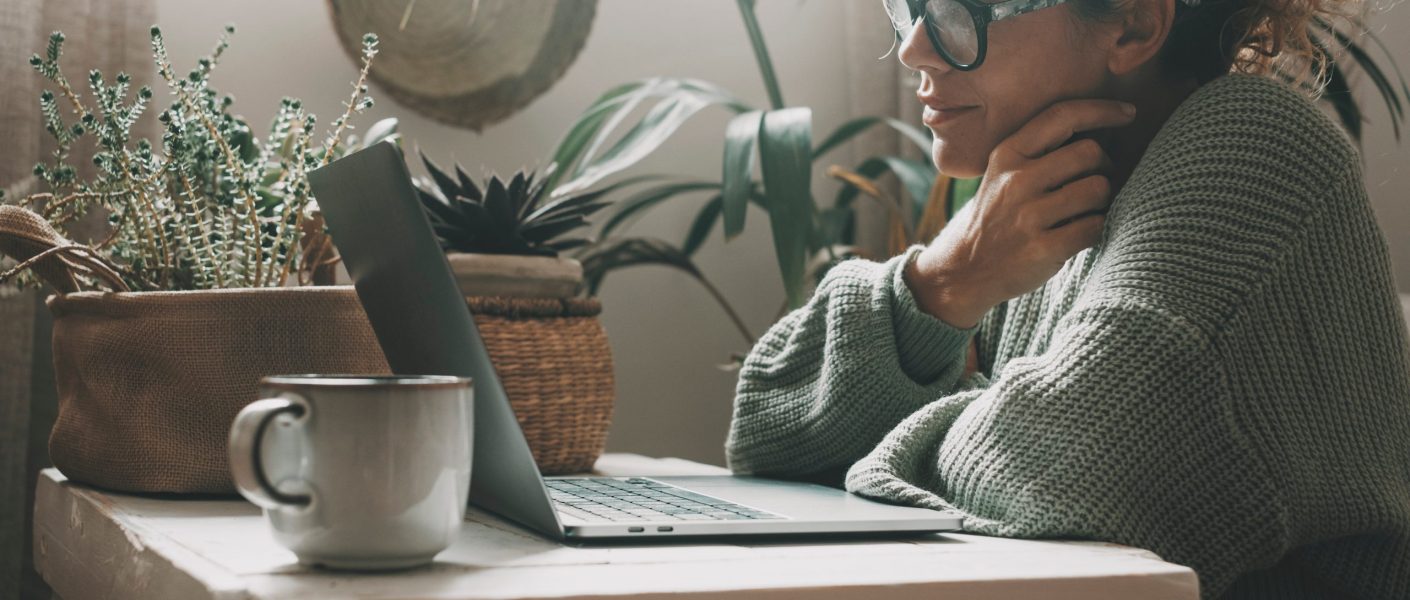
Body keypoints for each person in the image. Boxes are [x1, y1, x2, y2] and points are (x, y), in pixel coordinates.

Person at [723, 0, 1410, 597]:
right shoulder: (1042, 201)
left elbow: (1068, 484)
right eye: (911, 4)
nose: (915, 45)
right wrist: (944, 279)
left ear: (1134, 25)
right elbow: (765, 439)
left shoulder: (1257, 149)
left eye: (965, 9)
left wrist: (871, 452)